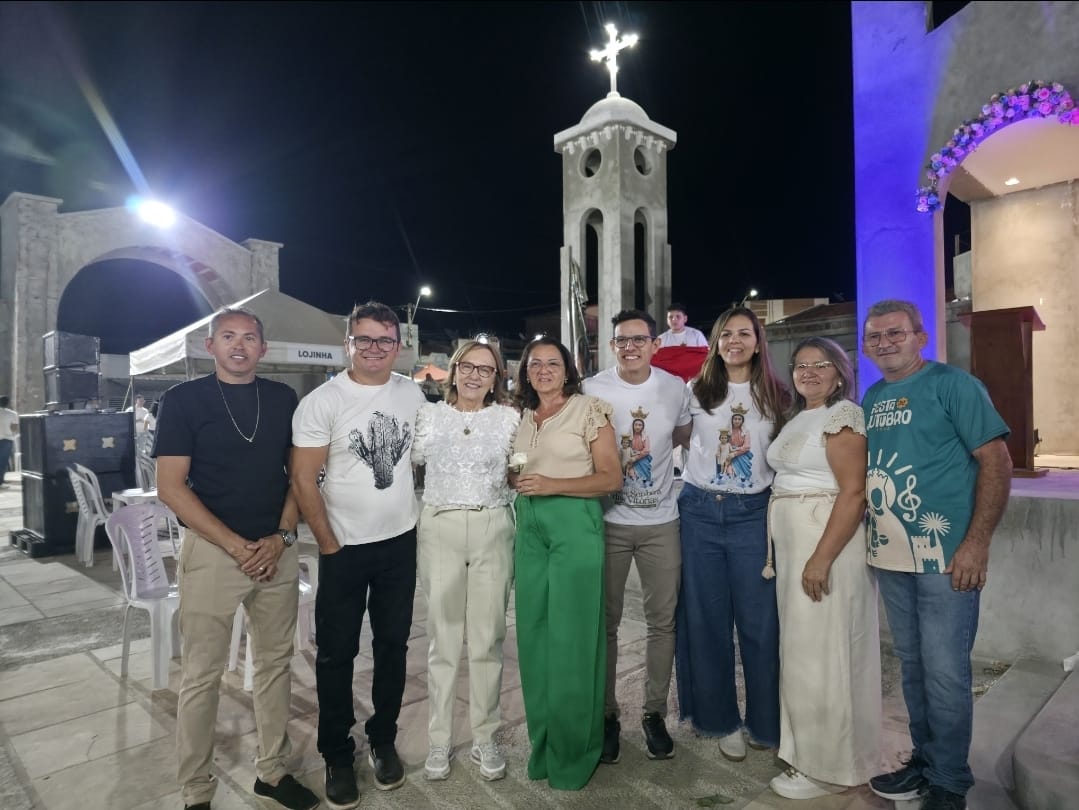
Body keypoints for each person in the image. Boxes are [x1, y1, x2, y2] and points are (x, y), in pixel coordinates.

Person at [154, 308, 317, 810]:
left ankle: (271, 771)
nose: (240, 345)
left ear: (263, 349)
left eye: (250, 337)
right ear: (211, 345)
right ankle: (197, 789)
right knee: (202, 675)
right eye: (228, 337)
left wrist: (281, 536)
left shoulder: (284, 398)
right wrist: (233, 545)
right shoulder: (182, 400)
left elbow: (300, 476)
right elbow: (170, 486)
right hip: (213, 553)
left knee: (274, 666)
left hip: (275, 552)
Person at [861, 300, 1011, 810]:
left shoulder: (955, 386)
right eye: (875, 336)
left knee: (946, 671)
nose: (884, 342)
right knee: (913, 667)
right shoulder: (873, 396)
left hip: (947, 558)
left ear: (920, 337)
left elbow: (996, 460)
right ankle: (924, 762)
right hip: (891, 559)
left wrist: (977, 541)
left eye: (895, 333)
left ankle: (949, 781)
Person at [291, 301, 426, 808]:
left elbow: (423, 457)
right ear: (348, 344)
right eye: (364, 340)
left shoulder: (411, 392)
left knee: (393, 646)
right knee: (336, 653)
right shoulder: (323, 401)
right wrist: (327, 541)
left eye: (384, 341)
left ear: (398, 346)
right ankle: (336, 752)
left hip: (399, 541)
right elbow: (304, 479)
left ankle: (383, 737)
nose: (374, 349)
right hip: (342, 546)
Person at [764, 337, 882, 800]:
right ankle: (808, 754)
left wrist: (821, 557)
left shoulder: (843, 416)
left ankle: (829, 767)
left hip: (824, 544)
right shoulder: (800, 416)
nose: (808, 372)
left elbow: (853, 492)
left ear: (840, 371)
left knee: (825, 654)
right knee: (802, 652)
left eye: (820, 364)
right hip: (797, 544)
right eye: (800, 365)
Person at [675, 306, 790, 762]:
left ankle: (765, 720)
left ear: (758, 341)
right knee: (706, 620)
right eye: (726, 334)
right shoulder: (696, 391)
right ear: (716, 342)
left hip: (752, 514)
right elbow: (676, 439)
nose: (734, 341)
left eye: (744, 333)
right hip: (701, 511)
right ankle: (719, 719)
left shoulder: (776, 394)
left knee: (761, 622)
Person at [511, 336, 622, 790]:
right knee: (533, 639)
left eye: (552, 363)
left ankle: (575, 751)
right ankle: (545, 746)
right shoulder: (521, 416)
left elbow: (611, 477)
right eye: (534, 363)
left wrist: (552, 483)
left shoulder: (589, 409)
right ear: (525, 371)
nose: (543, 370)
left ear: (568, 368)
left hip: (574, 525)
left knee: (573, 640)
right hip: (529, 530)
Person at [582, 310, 692, 764]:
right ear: (612, 346)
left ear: (654, 344)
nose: (630, 347)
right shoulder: (592, 389)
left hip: (660, 523)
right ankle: (607, 716)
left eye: (639, 339)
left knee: (662, 623)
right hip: (608, 523)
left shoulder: (674, 388)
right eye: (621, 341)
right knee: (604, 624)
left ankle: (653, 714)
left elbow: (684, 437)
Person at [411, 339, 520, 782]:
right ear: (453, 371)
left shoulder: (510, 419)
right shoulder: (428, 416)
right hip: (441, 525)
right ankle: (438, 741)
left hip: (494, 523)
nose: (476, 376)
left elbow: (520, 470)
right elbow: (411, 464)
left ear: (497, 378)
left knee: (488, 636)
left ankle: (485, 736)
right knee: (442, 636)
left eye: (486, 370)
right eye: (468, 367)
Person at [0, 395, 18, 488]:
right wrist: (12, 434)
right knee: (3, 461)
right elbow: (14, 428)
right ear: (7, 403)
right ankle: (0, 481)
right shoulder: (12, 414)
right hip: (7, 439)